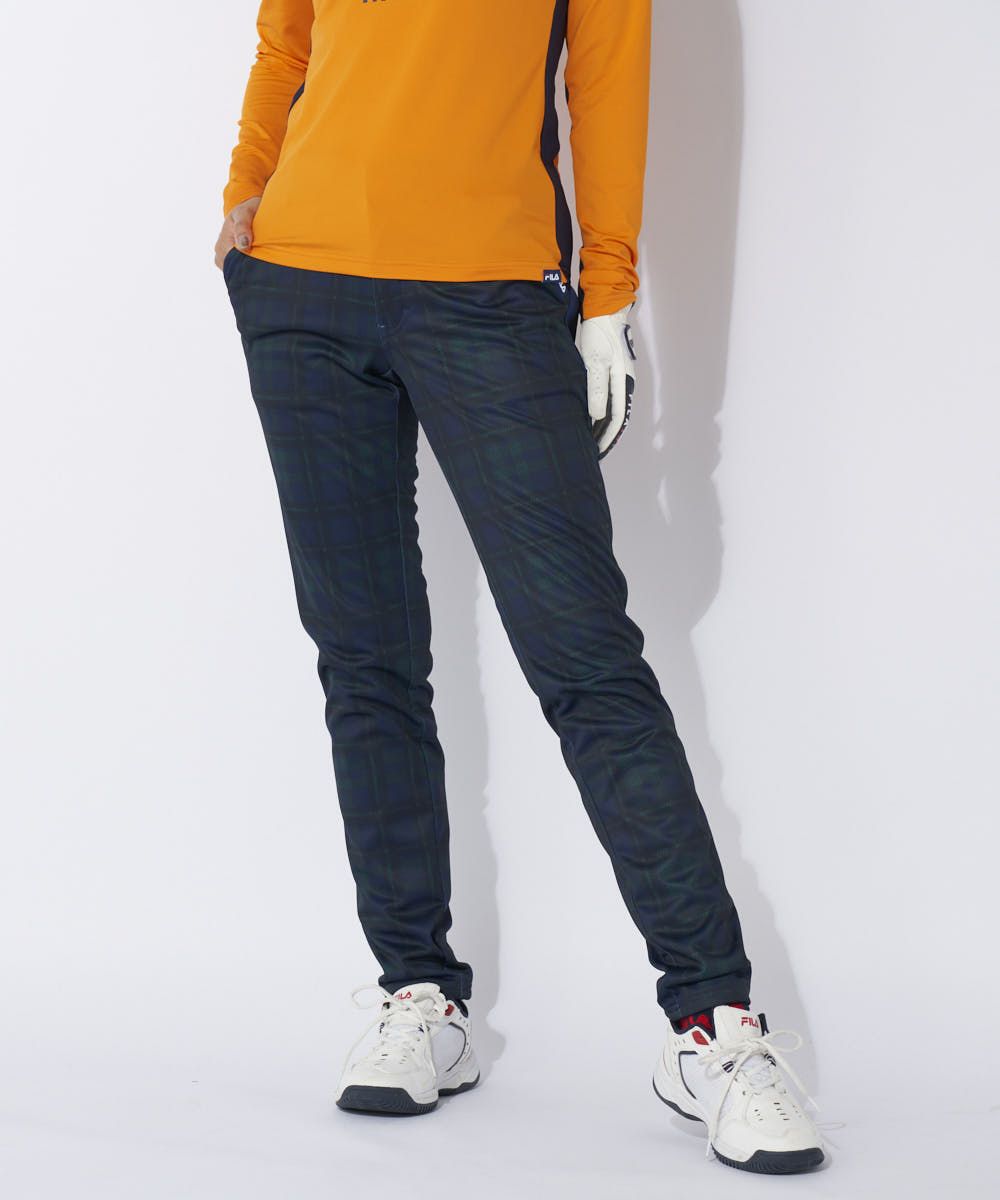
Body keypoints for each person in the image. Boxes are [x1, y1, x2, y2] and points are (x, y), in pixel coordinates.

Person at [216, 0, 824, 1174]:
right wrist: (246, 190)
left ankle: (714, 1023)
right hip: (300, 287)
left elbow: (607, 79)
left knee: (587, 664)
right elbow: (286, 39)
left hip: (489, 295)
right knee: (367, 661)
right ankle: (418, 994)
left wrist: (608, 296)